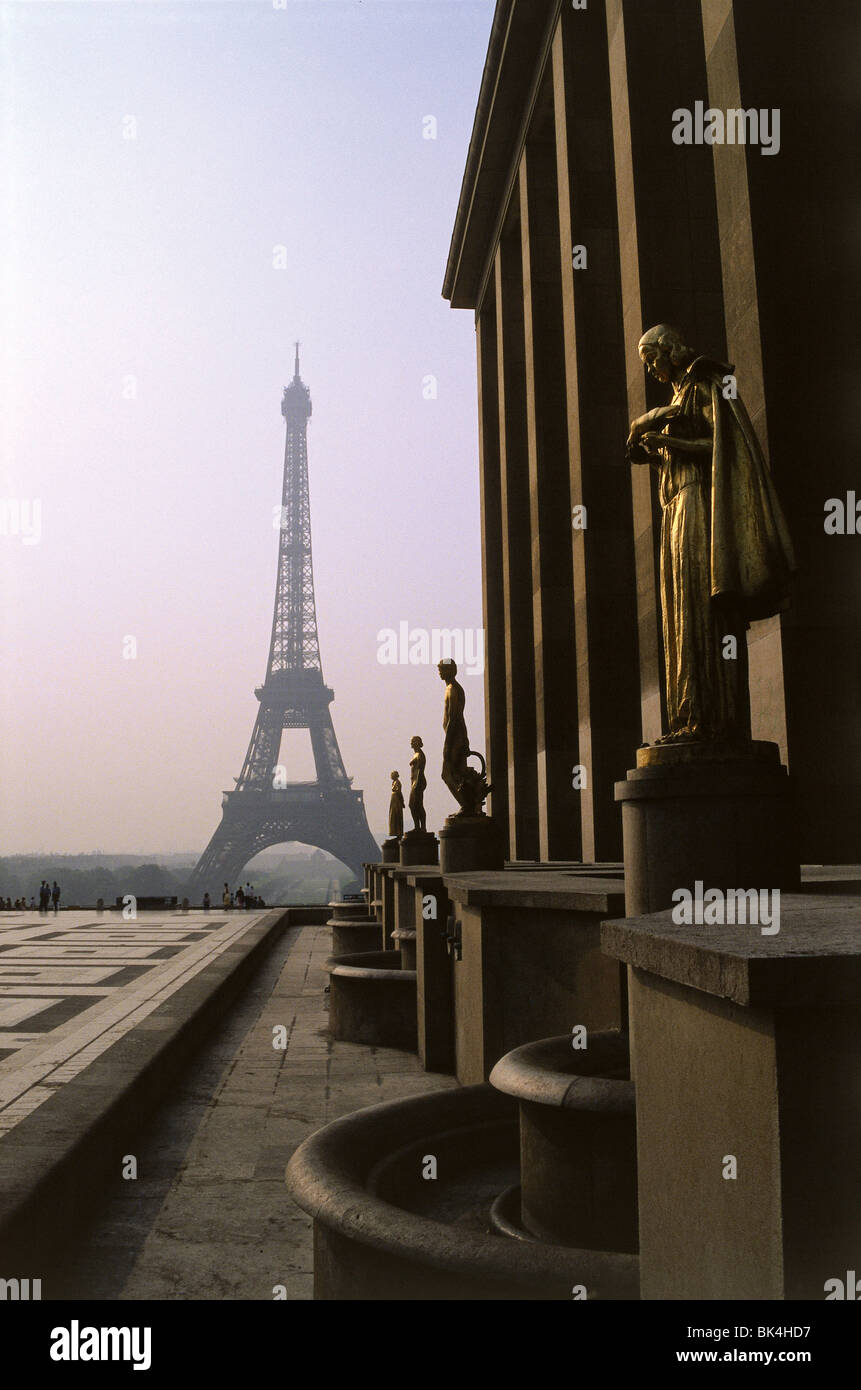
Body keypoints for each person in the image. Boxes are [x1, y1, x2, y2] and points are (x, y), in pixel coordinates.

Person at [627, 324, 795, 742]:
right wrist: (655, 447)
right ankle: (686, 716)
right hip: (675, 509)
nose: (650, 369)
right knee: (680, 614)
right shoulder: (678, 395)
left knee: (701, 609)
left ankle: (714, 719)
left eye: (651, 358)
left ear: (668, 350)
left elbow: (721, 447)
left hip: (699, 504)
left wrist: (670, 441)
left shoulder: (706, 382)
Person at [408, 735, 427, 833]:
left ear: (417, 742)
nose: (411, 743)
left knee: (417, 804)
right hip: (414, 782)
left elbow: (420, 770)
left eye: (412, 741)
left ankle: (422, 827)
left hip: (418, 781)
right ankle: (417, 826)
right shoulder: (416, 754)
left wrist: (416, 784)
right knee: (412, 805)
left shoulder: (420, 754)